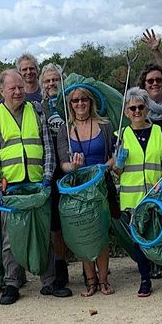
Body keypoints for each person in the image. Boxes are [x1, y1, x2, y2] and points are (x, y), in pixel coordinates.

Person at [0, 69, 70, 304]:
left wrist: (47, 178)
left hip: (37, 183)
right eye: (12, 88)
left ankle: (49, 282)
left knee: (43, 235)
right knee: (10, 238)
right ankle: (12, 283)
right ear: (2, 91)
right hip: (9, 187)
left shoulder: (37, 111)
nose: (18, 91)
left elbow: (48, 148)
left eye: (20, 87)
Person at [113, 87, 162, 298]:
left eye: (141, 107)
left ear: (147, 109)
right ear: (126, 112)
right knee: (140, 239)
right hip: (134, 197)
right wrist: (118, 162)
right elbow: (116, 170)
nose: (137, 111)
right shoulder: (120, 135)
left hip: (157, 194)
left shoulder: (160, 132)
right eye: (132, 108)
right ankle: (145, 279)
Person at [55, 84, 115, 296]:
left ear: (91, 102)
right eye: (75, 100)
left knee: (100, 232)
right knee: (83, 232)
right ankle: (90, 281)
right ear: (70, 105)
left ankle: (104, 280)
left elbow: (114, 156)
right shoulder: (64, 130)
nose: (80, 103)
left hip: (100, 186)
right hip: (77, 188)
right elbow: (63, 163)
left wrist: (105, 166)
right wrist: (74, 167)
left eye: (84, 99)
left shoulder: (105, 126)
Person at [39, 62, 71, 291]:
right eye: (48, 81)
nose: (51, 84)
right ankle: (61, 270)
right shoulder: (39, 107)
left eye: (55, 80)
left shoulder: (73, 102)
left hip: (73, 165)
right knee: (55, 225)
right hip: (51, 169)